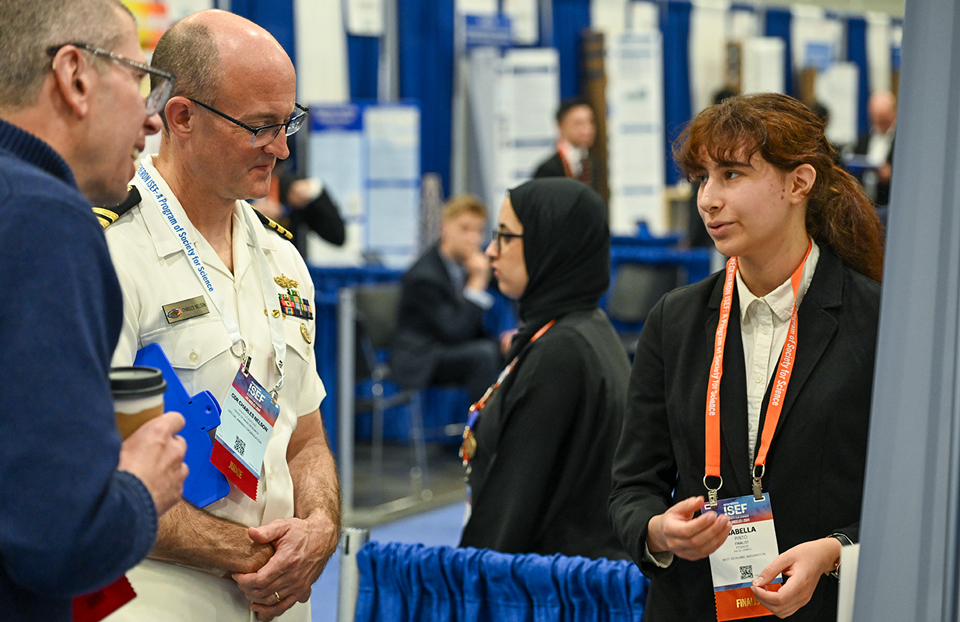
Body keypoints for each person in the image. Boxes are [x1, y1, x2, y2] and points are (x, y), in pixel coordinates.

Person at [102, 10, 339, 622]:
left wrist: (318, 529)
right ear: (181, 117)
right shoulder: (108, 251)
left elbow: (306, 439)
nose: (283, 149)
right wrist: (259, 555)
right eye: (261, 127)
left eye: (288, 122)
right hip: (159, 598)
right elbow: (95, 473)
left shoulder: (282, 256)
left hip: (280, 599)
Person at [610, 93, 884, 621]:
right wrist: (659, 531)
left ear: (798, 184)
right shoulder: (676, 319)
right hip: (694, 605)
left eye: (732, 174)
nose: (708, 199)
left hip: (827, 606)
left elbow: (913, 496)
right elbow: (631, 485)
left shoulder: (876, 319)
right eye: (702, 178)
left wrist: (835, 551)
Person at [0, 1, 188, 620]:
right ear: (75, 77)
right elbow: (62, 540)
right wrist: (139, 486)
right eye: (139, 81)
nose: (152, 117)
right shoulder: (41, 219)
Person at [459, 178, 629, 560]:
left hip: (553, 587)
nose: (490, 252)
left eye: (504, 237)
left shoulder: (562, 351)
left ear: (552, 244)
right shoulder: (579, 328)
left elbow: (512, 508)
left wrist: (467, 582)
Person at [392, 195, 501, 402]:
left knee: (513, 347)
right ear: (444, 229)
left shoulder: (468, 264)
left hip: (449, 349)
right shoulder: (424, 276)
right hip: (423, 356)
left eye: (478, 231)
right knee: (484, 355)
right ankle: (480, 429)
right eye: (465, 229)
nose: (473, 239)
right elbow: (454, 331)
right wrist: (477, 283)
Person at [532, 98, 600, 191]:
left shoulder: (592, 163)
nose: (588, 129)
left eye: (591, 122)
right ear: (560, 126)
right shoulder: (548, 169)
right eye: (579, 123)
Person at [849, 90, 896, 206]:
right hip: (863, 204)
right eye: (876, 118)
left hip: (889, 203)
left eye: (884, 118)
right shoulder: (862, 140)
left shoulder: (902, 143)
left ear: (894, 113)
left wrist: (891, 175)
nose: (879, 122)